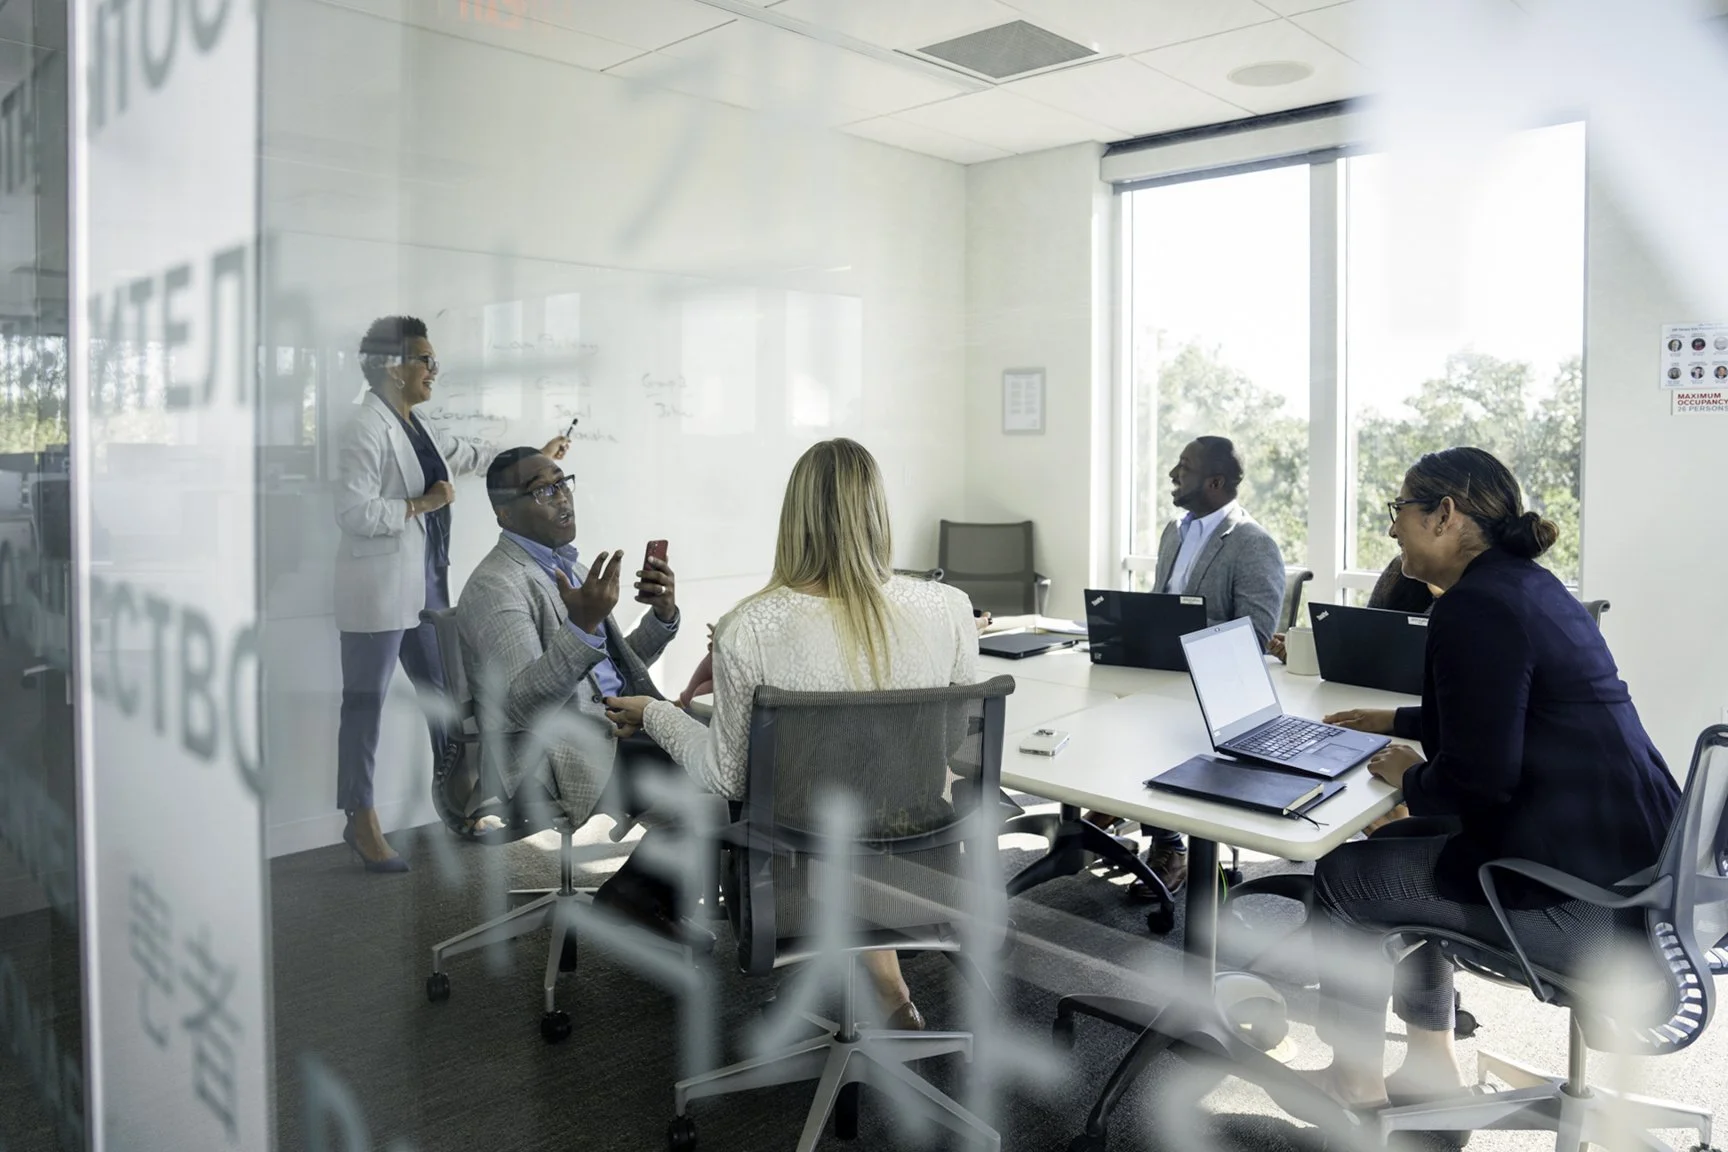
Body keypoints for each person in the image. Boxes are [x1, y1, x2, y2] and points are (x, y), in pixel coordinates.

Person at [1303, 446, 1680, 1111]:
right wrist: (1396, 719)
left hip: (1583, 907)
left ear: (1445, 515)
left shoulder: (1471, 608)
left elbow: (1481, 780)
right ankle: (1431, 1063)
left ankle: (1353, 1086)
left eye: (1401, 511)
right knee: (1401, 848)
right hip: (1641, 876)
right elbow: (1513, 708)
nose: (1392, 529)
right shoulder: (1530, 587)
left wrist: (1414, 780)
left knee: (1340, 881)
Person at [601, 439, 980, 1031]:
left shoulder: (749, 627)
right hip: (918, 869)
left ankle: (880, 983)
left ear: (793, 517)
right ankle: (889, 989)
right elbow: (953, 745)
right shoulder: (951, 609)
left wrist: (653, 712)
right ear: (878, 512)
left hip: (796, 878)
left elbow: (725, 776)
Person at [333, 316, 570, 872]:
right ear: (394, 366)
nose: (434, 371)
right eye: (426, 361)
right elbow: (351, 512)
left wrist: (536, 455)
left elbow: (465, 457)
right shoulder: (364, 427)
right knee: (364, 705)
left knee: (447, 698)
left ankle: (463, 802)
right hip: (378, 592)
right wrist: (422, 505)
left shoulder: (416, 424)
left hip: (426, 586)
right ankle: (360, 817)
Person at [1088, 436, 1286, 897]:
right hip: (1158, 668)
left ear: (1215, 482)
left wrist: (1188, 647)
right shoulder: (1174, 531)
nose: (1173, 475)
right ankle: (1109, 801)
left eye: (1184, 467)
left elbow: (1254, 635)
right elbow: (1162, 604)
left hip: (1209, 684)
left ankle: (1171, 844)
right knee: (1092, 700)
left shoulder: (1254, 544)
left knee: (1157, 726)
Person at [1267, 555, 1438, 662]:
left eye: (1401, 509)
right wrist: (1306, 653)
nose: (1393, 530)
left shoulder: (1459, 599)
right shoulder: (1399, 568)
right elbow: (1368, 644)